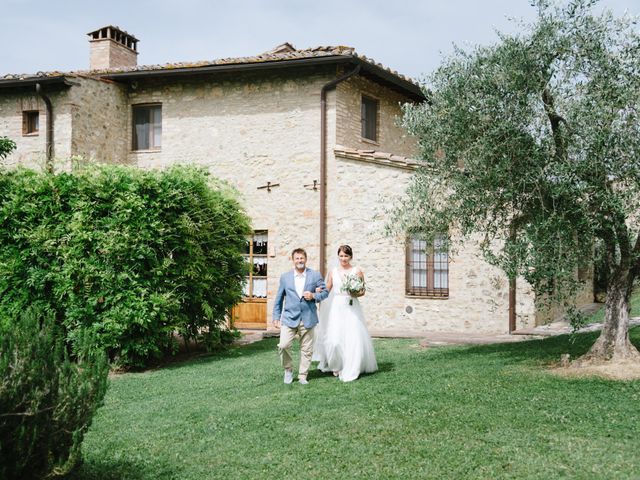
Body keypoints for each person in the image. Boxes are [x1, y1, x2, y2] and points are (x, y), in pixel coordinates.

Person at [313, 245, 377, 382]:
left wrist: (354, 292)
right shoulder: (333, 271)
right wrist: (317, 293)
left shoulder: (357, 271)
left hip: (351, 307)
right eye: (341, 256)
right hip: (336, 308)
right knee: (334, 340)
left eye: (346, 256)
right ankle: (336, 365)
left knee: (352, 338)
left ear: (351, 257)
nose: (343, 259)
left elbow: (362, 292)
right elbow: (327, 290)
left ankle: (352, 366)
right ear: (338, 256)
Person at [272, 248, 328, 385]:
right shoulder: (285, 277)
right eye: (297, 258)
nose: (299, 261)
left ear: (306, 259)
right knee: (283, 345)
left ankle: (303, 375)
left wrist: (313, 296)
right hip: (289, 318)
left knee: (307, 349)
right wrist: (276, 316)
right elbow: (279, 298)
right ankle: (288, 370)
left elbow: (325, 292)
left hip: (308, 318)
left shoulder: (314, 275)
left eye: (301, 258)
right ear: (293, 260)